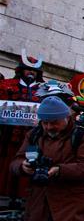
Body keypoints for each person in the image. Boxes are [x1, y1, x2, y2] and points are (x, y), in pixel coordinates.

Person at [0, 52, 44, 198]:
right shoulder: (6, 86)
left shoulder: (43, 91)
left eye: (34, 70)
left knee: (28, 167)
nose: (31, 72)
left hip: (33, 140)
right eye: (28, 69)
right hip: (8, 138)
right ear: (20, 70)